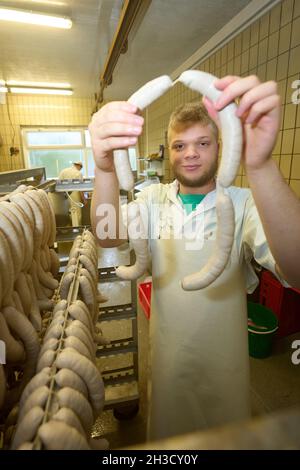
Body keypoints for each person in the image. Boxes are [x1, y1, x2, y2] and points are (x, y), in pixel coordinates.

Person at [89, 74, 300, 441]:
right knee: (171, 440)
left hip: (227, 366)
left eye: (202, 142)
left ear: (220, 146)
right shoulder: (153, 200)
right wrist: (105, 170)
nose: (190, 153)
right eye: (179, 145)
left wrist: (261, 165)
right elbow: (107, 235)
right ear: (168, 152)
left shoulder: (243, 202)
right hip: (169, 361)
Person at [58, 162, 84, 226]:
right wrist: (83, 198)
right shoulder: (78, 173)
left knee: (67, 212)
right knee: (76, 213)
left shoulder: (63, 171)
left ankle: (70, 228)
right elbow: (80, 188)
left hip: (64, 195)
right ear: (79, 166)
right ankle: (77, 230)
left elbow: (59, 184)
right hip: (74, 194)